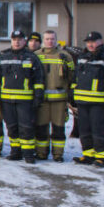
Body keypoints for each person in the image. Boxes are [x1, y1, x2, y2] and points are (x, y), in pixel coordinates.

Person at [0, 29, 44, 163]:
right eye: (14, 39)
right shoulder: (3, 57)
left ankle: (28, 153)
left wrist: (38, 96)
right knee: (11, 127)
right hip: (7, 100)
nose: (17, 42)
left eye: (20, 39)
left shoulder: (32, 58)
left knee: (26, 127)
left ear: (24, 41)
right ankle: (16, 151)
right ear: (11, 41)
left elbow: (38, 79)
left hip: (25, 101)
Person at [71, 31, 104, 167]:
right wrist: (73, 93)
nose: (91, 44)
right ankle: (88, 154)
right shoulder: (82, 57)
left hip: (99, 102)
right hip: (82, 101)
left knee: (98, 129)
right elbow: (76, 77)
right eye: (88, 42)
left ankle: (102, 157)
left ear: (100, 41)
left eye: (94, 42)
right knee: (84, 130)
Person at [34, 30, 75, 162]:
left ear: (56, 40)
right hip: (42, 100)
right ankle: (41, 153)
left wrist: (70, 96)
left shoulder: (65, 56)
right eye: (47, 39)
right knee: (42, 128)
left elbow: (72, 77)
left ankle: (58, 155)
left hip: (59, 100)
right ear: (43, 41)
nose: (49, 41)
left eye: (52, 39)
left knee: (58, 128)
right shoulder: (36, 55)